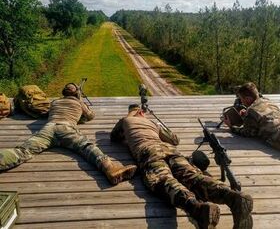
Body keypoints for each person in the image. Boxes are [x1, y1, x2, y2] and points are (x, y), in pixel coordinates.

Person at [110, 104, 253, 229]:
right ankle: (232, 197)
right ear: (141, 112)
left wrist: (127, 134)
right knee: (192, 176)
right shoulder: (152, 123)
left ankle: (197, 209)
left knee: (162, 180)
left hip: (148, 151)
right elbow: (174, 140)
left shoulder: (125, 121)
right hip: (169, 149)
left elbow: (113, 137)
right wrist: (157, 125)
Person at [0, 83, 137, 185]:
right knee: (87, 147)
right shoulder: (78, 102)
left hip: (49, 127)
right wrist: (81, 101)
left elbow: (50, 112)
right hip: (67, 128)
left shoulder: (55, 102)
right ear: (76, 93)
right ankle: (110, 168)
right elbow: (90, 116)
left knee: (24, 150)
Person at [224, 82, 280, 150]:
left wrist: (231, 127)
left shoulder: (252, 110)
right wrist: (247, 116)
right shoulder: (268, 102)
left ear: (248, 99)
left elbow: (248, 133)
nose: (241, 101)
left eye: (241, 99)